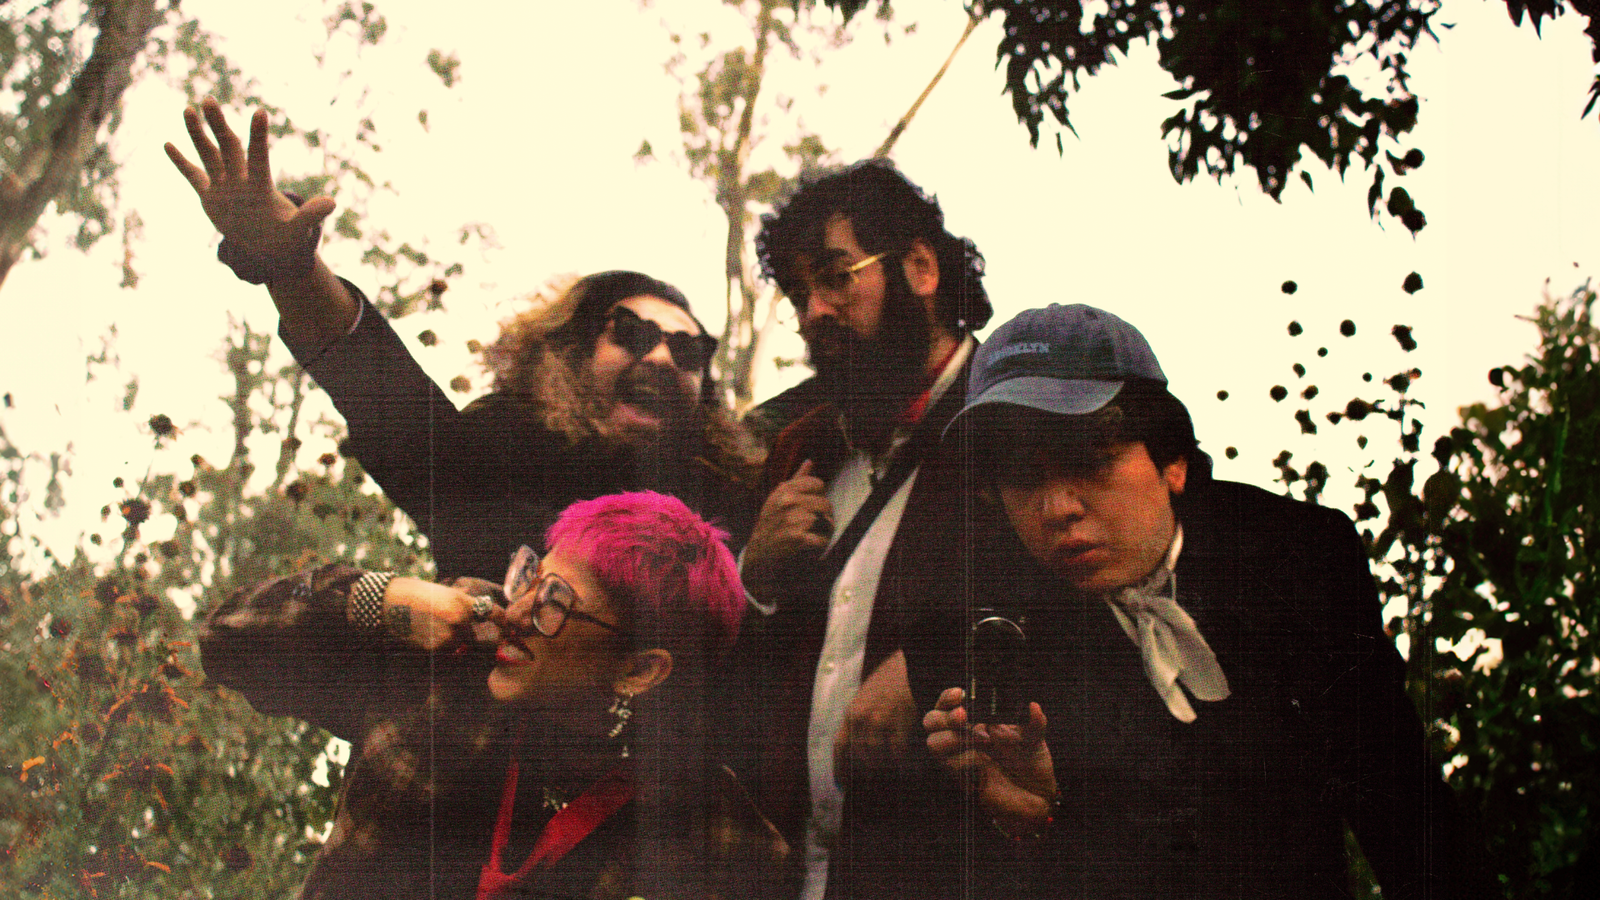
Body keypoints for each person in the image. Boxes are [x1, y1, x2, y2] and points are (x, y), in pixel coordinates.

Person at [912, 303, 1488, 899]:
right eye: (1021, 476)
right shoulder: (979, 619)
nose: (1057, 508)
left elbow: (1400, 802)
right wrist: (1038, 813)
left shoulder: (1293, 559)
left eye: (1090, 460)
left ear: (1173, 460)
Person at [165, 99, 761, 581]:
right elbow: (388, 396)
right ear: (574, 353)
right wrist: (292, 269)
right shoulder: (495, 456)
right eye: (632, 332)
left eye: (690, 350)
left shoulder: (737, 504)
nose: (662, 357)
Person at [199, 491, 789, 900]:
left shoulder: (697, 816)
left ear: (639, 670)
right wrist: (383, 597)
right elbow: (227, 642)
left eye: (556, 602)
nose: (518, 611)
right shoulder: (448, 665)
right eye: (531, 576)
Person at [734, 159, 992, 898]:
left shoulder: (1013, 423)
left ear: (920, 268)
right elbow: (748, 682)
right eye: (799, 294)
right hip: (795, 873)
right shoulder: (799, 447)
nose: (814, 311)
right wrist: (755, 577)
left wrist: (937, 661)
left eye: (835, 277)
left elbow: (1084, 604)